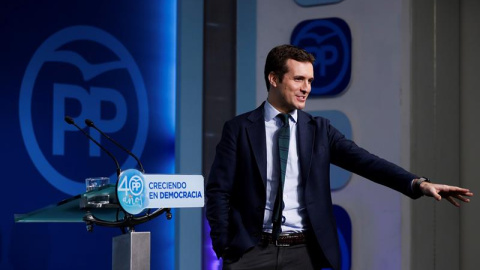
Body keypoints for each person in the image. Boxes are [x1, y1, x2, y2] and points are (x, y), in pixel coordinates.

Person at [205, 44, 473, 270]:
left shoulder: (320, 130)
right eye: (298, 79)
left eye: (310, 81)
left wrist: (418, 183)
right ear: (274, 79)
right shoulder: (239, 129)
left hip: (303, 253)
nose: (306, 88)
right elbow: (218, 190)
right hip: (251, 253)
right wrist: (225, 243)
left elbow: (367, 162)